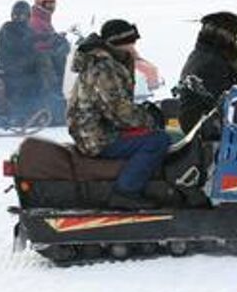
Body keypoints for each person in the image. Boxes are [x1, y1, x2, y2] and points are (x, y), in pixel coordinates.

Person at [67, 19, 170, 207]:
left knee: (154, 135)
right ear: (119, 43)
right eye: (131, 43)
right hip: (95, 135)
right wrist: (149, 118)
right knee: (158, 140)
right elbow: (118, 111)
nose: (134, 48)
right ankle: (126, 192)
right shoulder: (104, 67)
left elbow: (117, 106)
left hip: (101, 128)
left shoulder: (110, 62)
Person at [178, 12, 237, 132]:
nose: (234, 40)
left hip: (202, 119)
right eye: (231, 35)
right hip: (201, 124)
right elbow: (222, 93)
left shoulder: (205, 53)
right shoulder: (211, 60)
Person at [0, 0, 55, 117]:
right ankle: (45, 99)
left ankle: (50, 95)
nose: (18, 18)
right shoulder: (7, 28)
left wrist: (51, 40)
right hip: (11, 63)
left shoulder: (27, 29)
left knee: (48, 56)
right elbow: (18, 44)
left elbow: (29, 43)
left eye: (21, 15)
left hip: (22, 62)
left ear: (28, 16)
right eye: (15, 15)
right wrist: (39, 38)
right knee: (42, 59)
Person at [30, 0, 71, 102]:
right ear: (40, 4)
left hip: (46, 55)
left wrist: (57, 38)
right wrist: (53, 42)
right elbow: (38, 43)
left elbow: (46, 36)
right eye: (48, 4)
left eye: (52, 3)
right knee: (47, 63)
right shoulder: (35, 20)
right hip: (39, 58)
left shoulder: (43, 18)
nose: (51, 7)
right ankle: (52, 98)